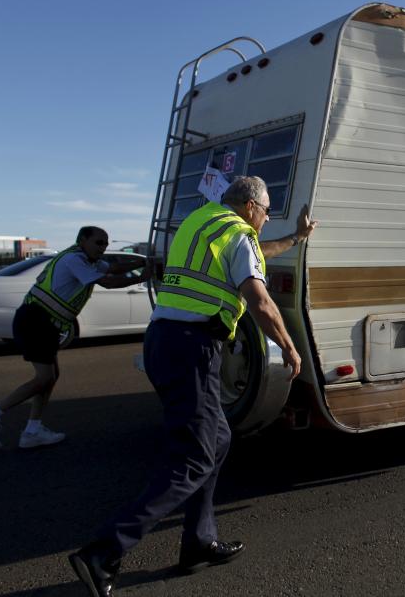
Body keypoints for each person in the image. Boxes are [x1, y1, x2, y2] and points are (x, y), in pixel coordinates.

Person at [68, 176, 317, 597]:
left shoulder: (202, 222)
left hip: (163, 341)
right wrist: (290, 348)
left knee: (216, 440)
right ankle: (103, 552)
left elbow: (258, 253)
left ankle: (198, 542)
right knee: (196, 457)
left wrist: (296, 236)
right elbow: (259, 299)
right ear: (251, 206)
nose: (267, 218)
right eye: (267, 210)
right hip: (192, 349)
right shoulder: (238, 234)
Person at [0, 227, 149, 449]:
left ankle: (32, 431)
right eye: (99, 242)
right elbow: (108, 281)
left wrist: (142, 262)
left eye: (106, 243)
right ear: (83, 240)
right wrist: (143, 277)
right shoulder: (74, 260)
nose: (103, 247)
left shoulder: (88, 259)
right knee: (44, 378)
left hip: (47, 322)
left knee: (51, 376)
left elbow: (114, 267)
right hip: (36, 320)